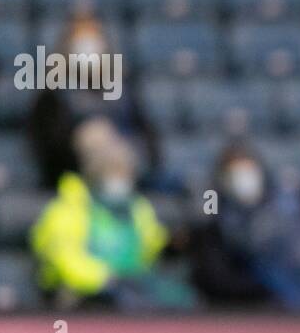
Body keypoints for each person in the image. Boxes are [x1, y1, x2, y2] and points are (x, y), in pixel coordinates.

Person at [30, 120, 194, 311]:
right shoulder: (67, 208)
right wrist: (106, 279)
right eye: (112, 172)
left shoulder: (138, 208)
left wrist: (170, 243)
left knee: (181, 298)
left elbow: (149, 244)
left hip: (134, 287)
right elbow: (65, 260)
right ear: (95, 174)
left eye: (123, 173)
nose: (118, 180)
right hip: (87, 294)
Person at [189, 142, 300, 312]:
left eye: (248, 170)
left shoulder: (296, 201)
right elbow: (219, 277)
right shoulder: (220, 224)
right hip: (288, 304)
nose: (243, 179)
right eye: (234, 173)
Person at [26, 11, 167, 191]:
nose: (87, 46)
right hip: (76, 180)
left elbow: (148, 139)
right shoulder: (53, 95)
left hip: (130, 176)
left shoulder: (123, 90)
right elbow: (46, 149)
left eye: (92, 37)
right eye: (79, 38)